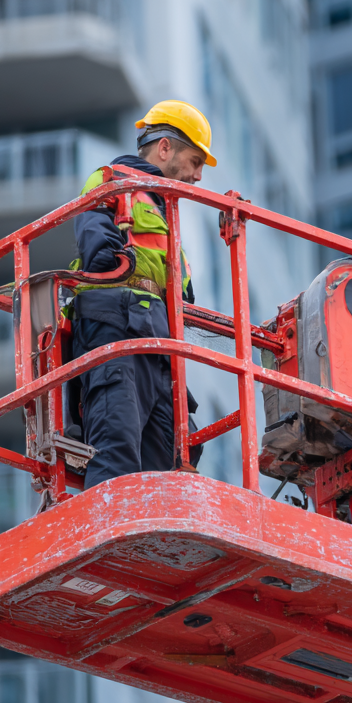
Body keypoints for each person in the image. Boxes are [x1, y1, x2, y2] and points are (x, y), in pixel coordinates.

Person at [69, 100, 212, 487]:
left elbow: (186, 301)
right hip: (117, 324)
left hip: (157, 344)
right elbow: (96, 245)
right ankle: (108, 536)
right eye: (195, 162)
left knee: (173, 453)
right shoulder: (113, 180)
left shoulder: (168, 222)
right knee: (116, 441)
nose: (198, 176)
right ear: (165, 148)